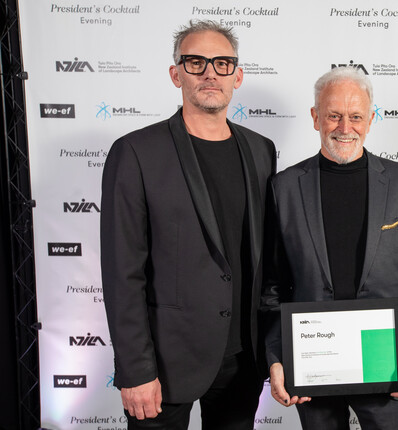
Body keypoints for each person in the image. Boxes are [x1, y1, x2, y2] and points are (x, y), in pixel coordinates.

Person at [100, 20, 276, 429]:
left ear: (238, 75)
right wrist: (136, 369)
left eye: (222, 63)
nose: (210, 73)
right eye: (196, 62)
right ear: (176, 73)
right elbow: (122, 273)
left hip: (243, 359)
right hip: (163, 364)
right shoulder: (136, 152)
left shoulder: (260, 149)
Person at [261, 66, 398, 430]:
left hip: (386, 364)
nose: (345, 128)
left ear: (371, 119)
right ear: (315, 118)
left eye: (356, 116)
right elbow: (271, 288)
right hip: (312, 366)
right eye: (334, 115)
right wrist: (277, 356)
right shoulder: (284, 188)